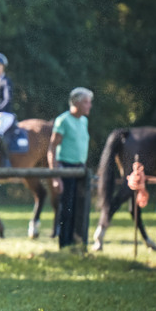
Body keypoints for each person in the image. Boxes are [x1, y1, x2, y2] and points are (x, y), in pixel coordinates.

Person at [49, 87, 93, 249]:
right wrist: (56, 176)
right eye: (86, 102)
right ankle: (64, 243)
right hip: (66, 168)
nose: (89, 106)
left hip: (80, 169)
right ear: (76, 103)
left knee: (80, 208)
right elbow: (52, 149)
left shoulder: (84, 121)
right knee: (66, 208)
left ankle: (78, 242)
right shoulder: (63, 121)